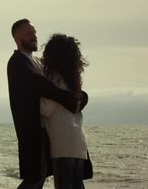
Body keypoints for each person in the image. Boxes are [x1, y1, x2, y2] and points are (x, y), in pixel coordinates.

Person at [7, 19, 88, 189]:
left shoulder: (39, 62)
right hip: (33, 130)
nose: (34, 36)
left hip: (49, 131)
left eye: (35, 33)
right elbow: (40, 85)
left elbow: (62, 79)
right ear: (16, 36)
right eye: (29, 33)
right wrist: (72, 99)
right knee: (35, 178)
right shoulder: (17, 62)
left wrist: (80, 97)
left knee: (42, 177)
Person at [40, 34, 92, 189]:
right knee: (77, 185)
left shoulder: (54, 79)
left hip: (62, 144)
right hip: (78, 144)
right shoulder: (72, 81)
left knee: (64, 185)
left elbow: (45, 109)